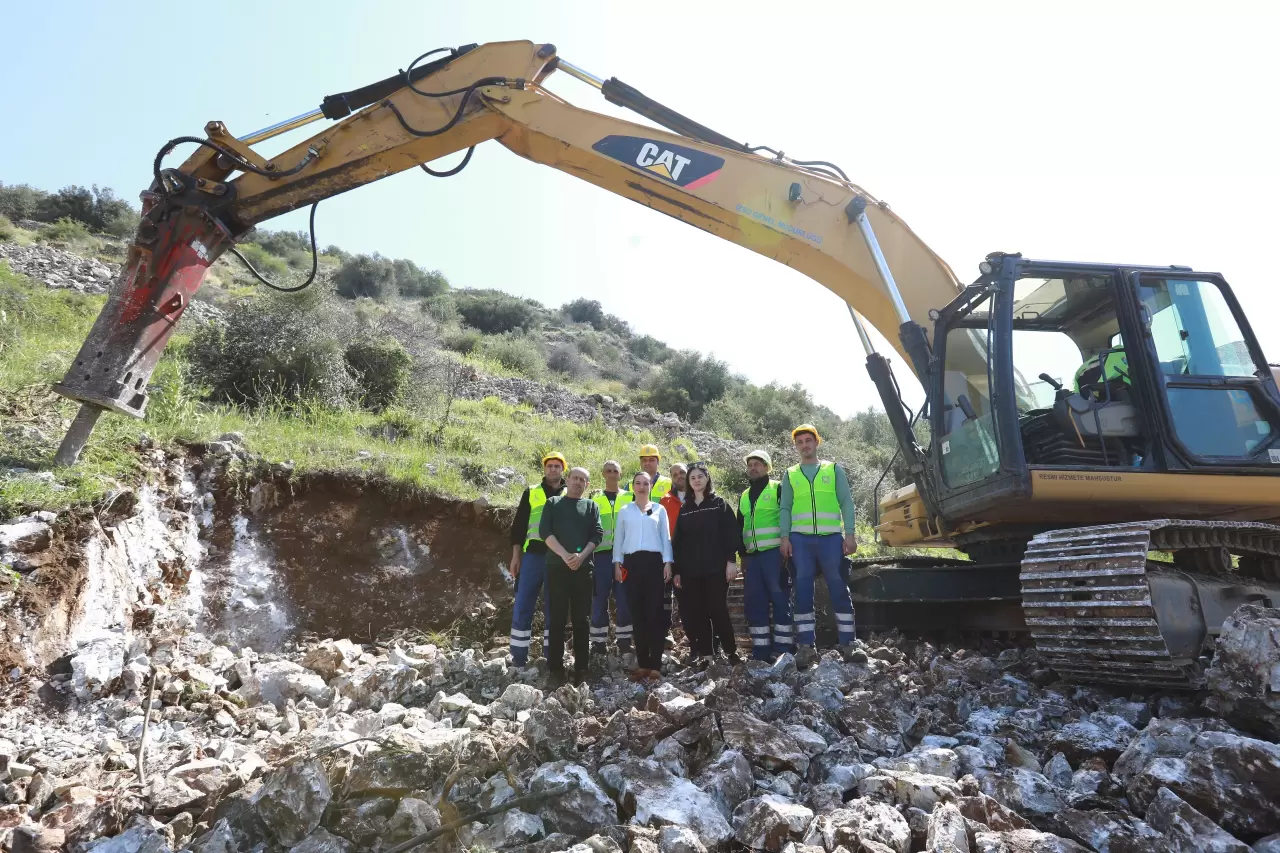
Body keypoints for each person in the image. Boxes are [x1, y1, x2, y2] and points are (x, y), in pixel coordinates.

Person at [779, 424, 858, 658]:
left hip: (831, 539)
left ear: (816, 442)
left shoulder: (833, 470)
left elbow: (846, 502)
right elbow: (785, 508)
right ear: (796, 447)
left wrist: (850, 534)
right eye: (800, 442)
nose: (805, 445)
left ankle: (849, 643)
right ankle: (806, 646)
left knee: (838, 586)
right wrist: (785, 538)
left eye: (808, 440)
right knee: (803, 589)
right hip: (800, 540)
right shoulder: (790, 474)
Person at [671, 462, 741, 667]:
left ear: (707, 478)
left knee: (718, 609)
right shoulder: (685, 509)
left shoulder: (719, 504)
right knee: (698, 612)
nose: (696, 480)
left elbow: (732, 534)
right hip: (692, 572)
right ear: (689, 482)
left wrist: (731, 561)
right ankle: (707, 656)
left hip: (716, 570)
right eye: (692, 478)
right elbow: (679, 543)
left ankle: (731, 652)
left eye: (700, 476)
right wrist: (677, 571)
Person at [540, 467, 604, 685]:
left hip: (583, 570)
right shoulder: (553, 504)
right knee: (556, 618)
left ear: (587, 484)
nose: (578, 482)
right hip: (557, 568)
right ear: (567, 480)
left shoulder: (591, 506)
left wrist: (581, 556)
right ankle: (555, 668)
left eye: (583, 480)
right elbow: (545, 532)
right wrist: (566, 555)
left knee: (581, 620)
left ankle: (581, 668)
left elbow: (597, 534)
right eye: (575, 478)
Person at [507, 452, 567, 666]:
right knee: (523, 603)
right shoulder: (531, 492)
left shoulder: (571, 493)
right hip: (532, 556)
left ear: (563, 469)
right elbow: (519, 528)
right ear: (544, 469)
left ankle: (552, 656)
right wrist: (516, 557)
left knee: (555, 607)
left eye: (556, 466)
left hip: (558, 559)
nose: (553, 469)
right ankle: (518, 657)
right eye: (549, 466)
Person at [613, 471, 673, 682]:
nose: (641, 486)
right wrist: (617, 564)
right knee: (637, 615)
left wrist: (667, 562)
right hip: (631, 564)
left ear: (650, 486)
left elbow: (665, 538)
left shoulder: (659, 509)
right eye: (637, 483)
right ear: (632, 486)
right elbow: (618, 538)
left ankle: (655, 665)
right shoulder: (625, 510)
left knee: (654, 614)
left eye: (645, 483)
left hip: (654, 563)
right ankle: (643, 664)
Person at [738, 450, 792, 660]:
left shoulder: (778, 488)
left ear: (767, 467)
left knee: (780, 599)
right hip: (752, 558)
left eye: (758, 464)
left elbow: (788, 517)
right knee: (755, 602)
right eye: (750, 464)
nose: (753, 467)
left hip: (775, 554)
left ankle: (784, 648)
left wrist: (787, 546)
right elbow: (740, 526)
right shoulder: (743, 496)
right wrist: (742, 555)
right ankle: (761, 651)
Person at [590, 460, 634, 655]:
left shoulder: (630, 497)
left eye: (615, 470)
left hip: (624, 556)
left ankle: (624, 640)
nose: (611, 473)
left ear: (620, 473)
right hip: (601, 556)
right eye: (608, 470)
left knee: (624, 597)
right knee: (599, 597)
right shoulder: (594, 498)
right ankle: (598, 641)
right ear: (602, 473)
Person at [660, 463, 687, 535]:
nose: (679, 476)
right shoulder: (665, 501)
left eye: (682, 472)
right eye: (675, 475)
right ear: (671, 479)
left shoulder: (700, 497)